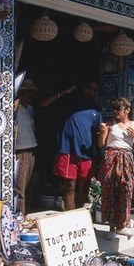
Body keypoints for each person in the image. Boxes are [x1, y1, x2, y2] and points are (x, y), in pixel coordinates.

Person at [47, 79, 102, 211]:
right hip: (67, 150)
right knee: (69, 185)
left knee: (84, 186)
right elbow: (44, 104)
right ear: (82, 86)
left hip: (86, 153)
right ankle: (70, 215)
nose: (91, 92)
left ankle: (79, 215)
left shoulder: (95, 109)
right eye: (89, 87)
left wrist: (99, 153)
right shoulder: (68, 102)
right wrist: (64, 93)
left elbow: (97, 132)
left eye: (94, 90)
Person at [96, 98, 134, 240]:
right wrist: (103, 132)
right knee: (110, 190)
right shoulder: (110, 124)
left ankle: (122, 225)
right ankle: (111, 227)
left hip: (126, 158)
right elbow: (100, 144)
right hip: (112, 157)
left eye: (119, 109)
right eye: (115, 109)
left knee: (126, 191)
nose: (116, 112)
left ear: (127, 110)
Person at [14, 79, 39, 215]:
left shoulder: (30, 109)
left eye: (32, 95)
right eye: (28, 94)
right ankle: (20, 216)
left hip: (31, 150)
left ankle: (26, 213)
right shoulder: (15, 109)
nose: (30, 97)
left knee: (29, 186)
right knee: (20, 187)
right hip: (20, 151)